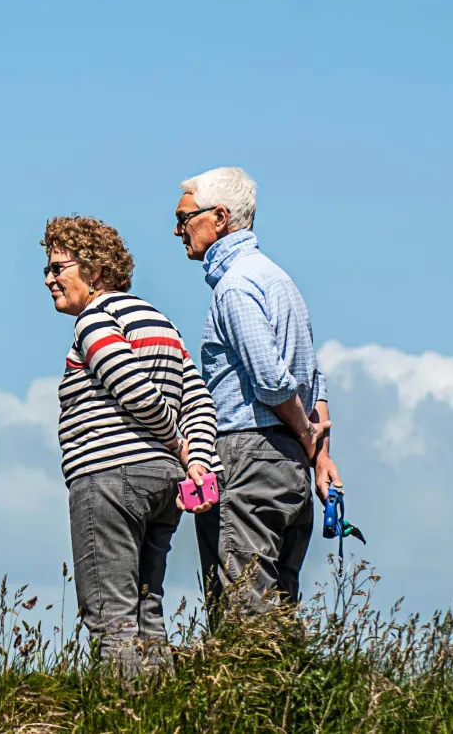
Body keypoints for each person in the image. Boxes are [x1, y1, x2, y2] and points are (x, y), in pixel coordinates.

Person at [42, 215, 219, 674]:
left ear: (96, 271)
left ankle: (120, 715)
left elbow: (132, 387)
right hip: (163, 486)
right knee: (148, 610)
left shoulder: (94, 321)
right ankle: (161, 710)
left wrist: (181, 446)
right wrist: (197, 462)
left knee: (110, 617)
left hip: (107, 478)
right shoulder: (161, 322)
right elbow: (198, 397)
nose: (49, 279)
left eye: (58, 268)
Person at [173, 166, 343, 618]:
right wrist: (319, 455)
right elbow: (312, 375)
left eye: (185, 218)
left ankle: (247, 689)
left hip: (250, 450)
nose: (177, 230)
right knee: (279, 604)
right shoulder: (280, 281)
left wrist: (308, 435)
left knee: (243, 607)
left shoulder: (235, 287)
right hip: (289, 461)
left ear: (220, 218)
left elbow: (271, 380)